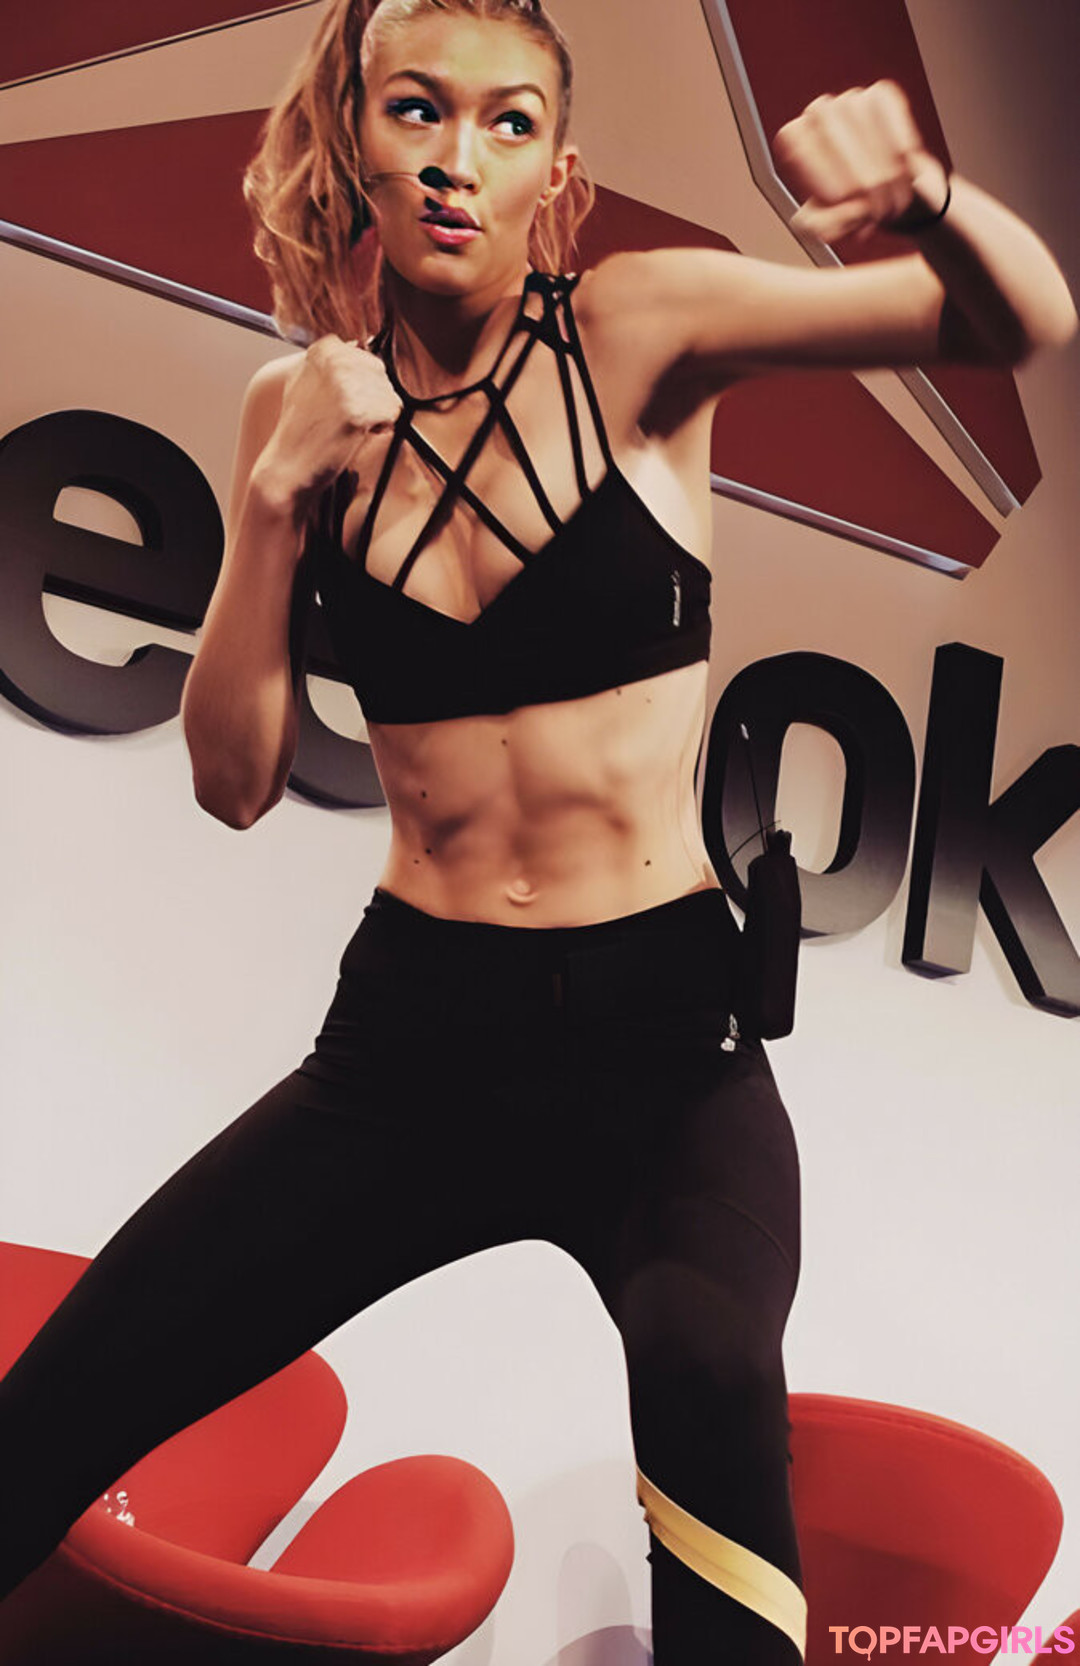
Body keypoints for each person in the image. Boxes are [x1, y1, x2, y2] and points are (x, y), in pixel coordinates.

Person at [1, 0, 1075, 1659]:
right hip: (413, 1042)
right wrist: (276, 501)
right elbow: (232, 776)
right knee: (58, 1403)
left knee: (708, 1367)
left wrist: (923, 194)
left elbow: (1019, 317)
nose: (460, 158)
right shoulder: (299, 409)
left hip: (665, 1047)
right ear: (358, 138)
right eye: (419, 111)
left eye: (509, 124)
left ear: (557, 174)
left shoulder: (641, 329)